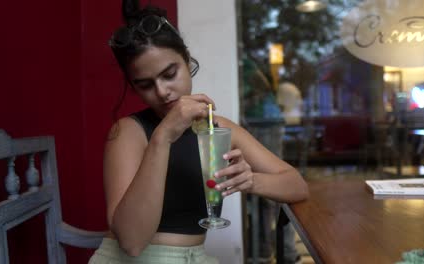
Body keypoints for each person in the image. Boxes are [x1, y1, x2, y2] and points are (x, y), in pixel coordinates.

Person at [89, 1, 309, 263]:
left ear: (186, 59)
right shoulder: (128, 131)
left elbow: (296, 185)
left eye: (170, 74)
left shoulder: (218, 128)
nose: (161, 91)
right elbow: (132, 243)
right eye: (145, 85)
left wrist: (250, 181)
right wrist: (163, 136)